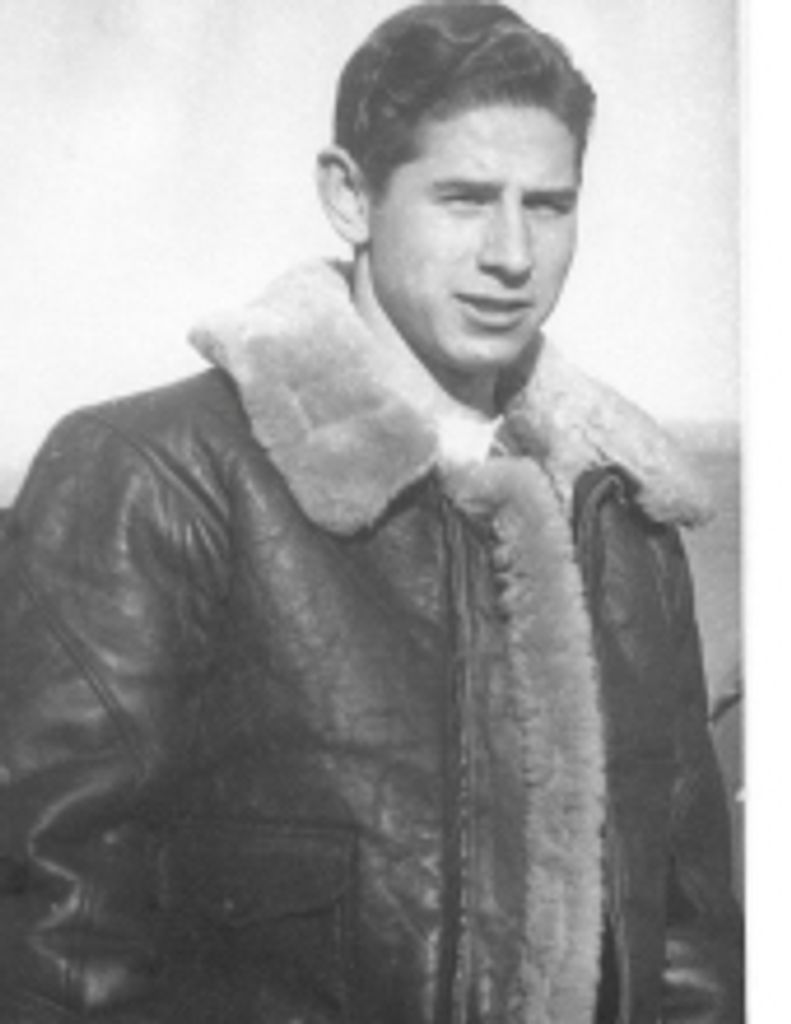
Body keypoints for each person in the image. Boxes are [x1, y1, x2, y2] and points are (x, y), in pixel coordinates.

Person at [0, 4, 743, 1022]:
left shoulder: (620, 517)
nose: (511, 253)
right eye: (464, 198)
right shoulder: (153, 477)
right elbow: (55, 937)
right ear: (349, 196)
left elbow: (687, 940)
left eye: (548, 205)